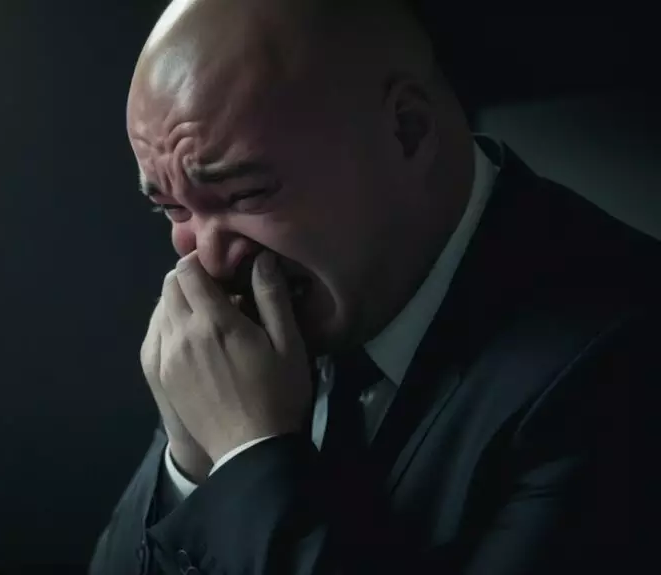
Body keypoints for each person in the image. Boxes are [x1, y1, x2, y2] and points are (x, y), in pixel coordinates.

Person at [90, 0, 651, 573]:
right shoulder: (276, 310)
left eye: (246, 194)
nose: (207, 260)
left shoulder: (622, 360)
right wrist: (190, 459)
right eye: (172, 208)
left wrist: (247, 455)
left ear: (407, 132)